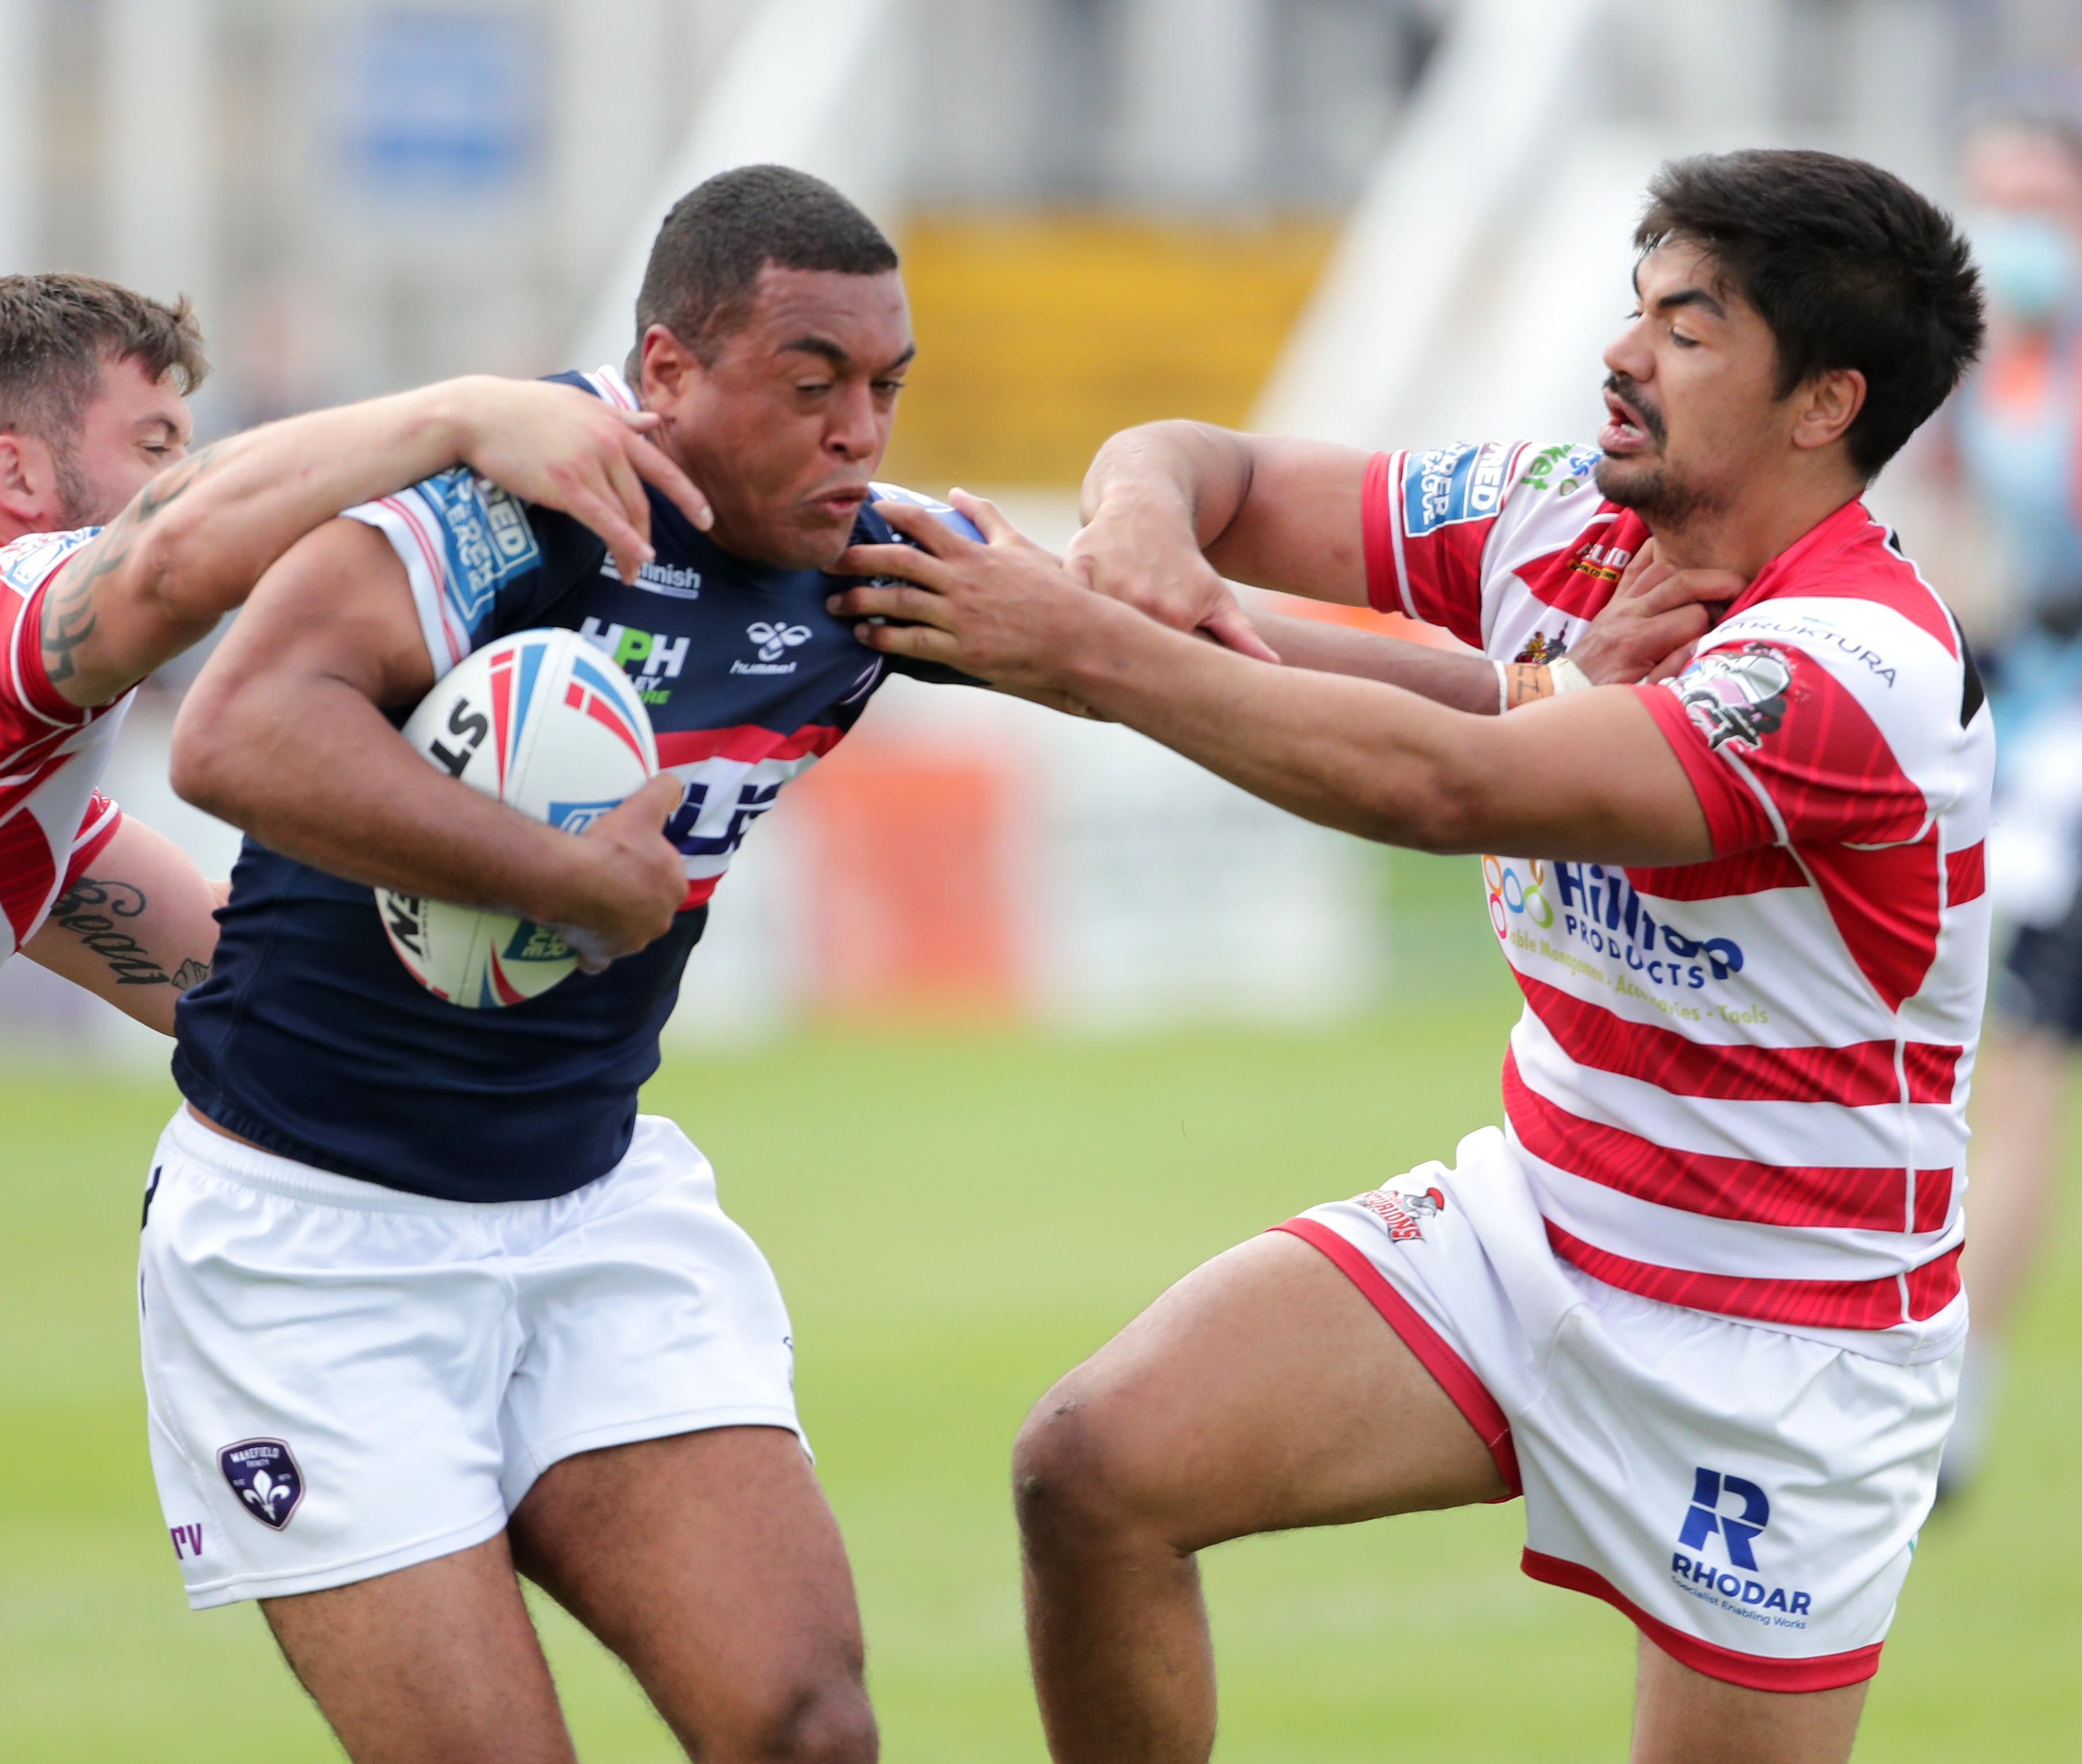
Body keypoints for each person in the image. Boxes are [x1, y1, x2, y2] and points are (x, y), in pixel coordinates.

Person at [139, 163, 1727, 1764]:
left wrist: (1532, 703)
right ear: (668, 375)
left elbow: (1156, 652)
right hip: (311, 1248)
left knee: (806, 1729)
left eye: (886, 389)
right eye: (809, 383)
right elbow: (239, 731)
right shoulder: (521, 501)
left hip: (589, 1213)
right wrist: (574, 879)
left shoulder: (865, 567)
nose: (857, 432)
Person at [830, 148, 1987, 1763]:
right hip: (1538, 1224)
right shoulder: (1556, 515)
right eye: (1632, 307)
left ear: (1823, 403)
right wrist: (1137, 536)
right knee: (1092, 1468)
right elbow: (1199, 460)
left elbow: (1447, 782)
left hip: (1786, 1340)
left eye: (1687, 327)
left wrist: (1090, 645)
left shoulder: (1858, 668)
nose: (1622, 352)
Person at [0, 272, 707, 1764]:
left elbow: (249, 1006)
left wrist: (534, 918)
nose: (187, 483)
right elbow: (164, 566)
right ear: (19, 476)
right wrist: (458, 417)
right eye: (157, 443)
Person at [1935, 110, 2082, 1496]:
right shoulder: (1995, 375)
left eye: (2042, 195)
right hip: (2039, 753)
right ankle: (1955, 1405)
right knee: (2008, 1068)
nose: (2021, 228)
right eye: (1999, 198)